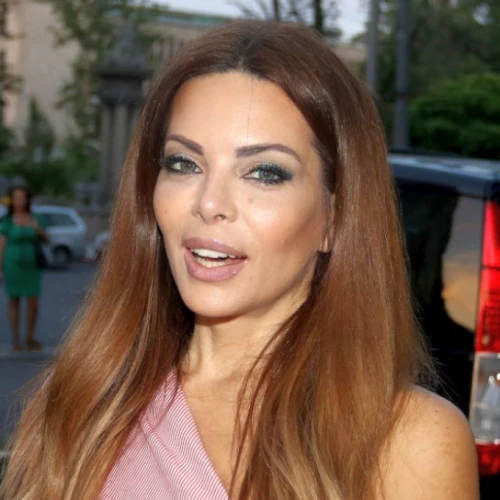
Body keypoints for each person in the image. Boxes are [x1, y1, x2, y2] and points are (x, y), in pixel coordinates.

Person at [1, 21, 478, 500]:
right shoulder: (75, 404)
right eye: (184, 164)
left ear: (335, 217)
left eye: (264, 173)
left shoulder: (412, 445)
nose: (209, 203)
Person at [0, 185, 47, 352]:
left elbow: (47, 238)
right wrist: (0, 269)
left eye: (22, 197)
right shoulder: (7, 220)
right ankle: (15, 338)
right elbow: (1, 245)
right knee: (15, 300)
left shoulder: (35, 218)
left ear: (27, 200)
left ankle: (30, 337)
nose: (20, 201)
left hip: (31, 265)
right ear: (12, 200)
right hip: (12, 264)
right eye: (16, 198)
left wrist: (37, 229)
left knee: (33, 302)